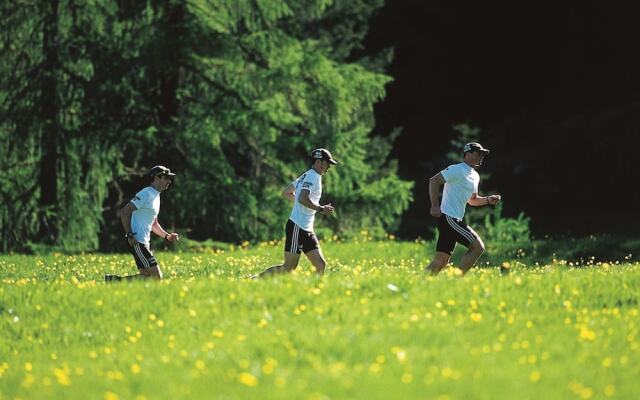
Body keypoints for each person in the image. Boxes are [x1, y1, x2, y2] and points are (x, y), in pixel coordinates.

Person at [254, 148, 338, 278]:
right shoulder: (312, 176)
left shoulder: (307, 175)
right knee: (288, 268)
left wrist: (301, 202)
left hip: (307, 229)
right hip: (297, 227)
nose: (329, 167)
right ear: (319, 162)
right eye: (328, 163)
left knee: (320, 265)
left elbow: (286, 193)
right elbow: (302, 198)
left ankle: (315, 291)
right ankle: (255, 280)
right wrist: (321, 209)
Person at [425, 142, 501, 276]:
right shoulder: (456, 169)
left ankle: (420, 283)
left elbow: (472, 200)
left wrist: (488, 200)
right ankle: (456, 280)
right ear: (468, 154)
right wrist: (435, 206)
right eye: (479, 153)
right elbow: (434, 181)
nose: (481, 156)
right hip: (449, 218)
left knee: (441, 260)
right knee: (477, 247)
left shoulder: (475, 176)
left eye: (483, 154)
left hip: (452, 220)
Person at [105, 165, 180, 282]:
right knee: (157, 277)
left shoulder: (156, 196)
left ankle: (112, 281)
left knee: (147, 277)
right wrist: (130, 234)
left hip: (143, 242)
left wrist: (167, 236)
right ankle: (114, 281)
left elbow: (154, 224)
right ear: (156, 178)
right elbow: (125, 212)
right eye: (166, 178)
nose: (169, 181)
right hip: (137, 241)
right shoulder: (146, 193)